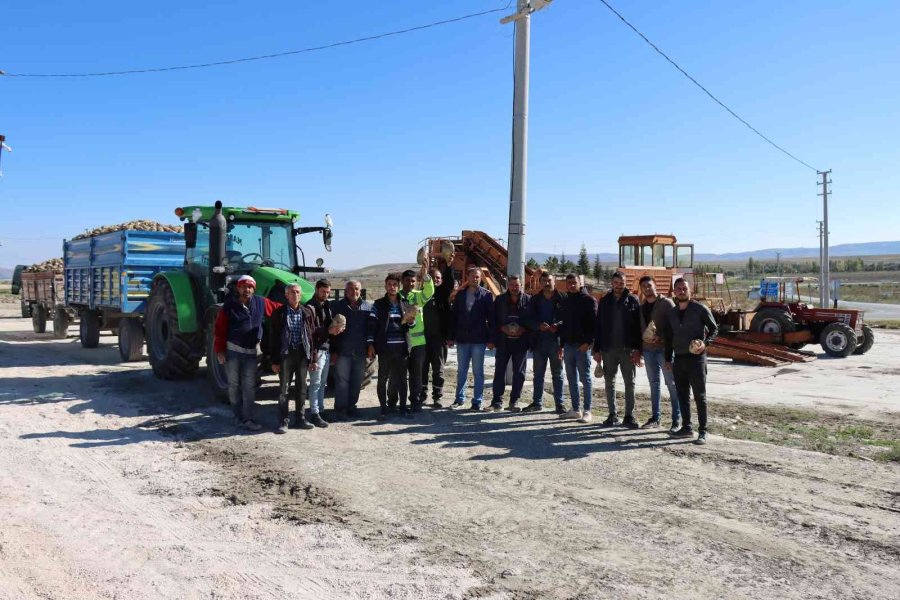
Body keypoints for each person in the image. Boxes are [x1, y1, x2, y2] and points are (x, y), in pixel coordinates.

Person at [213, 275, 281, 431]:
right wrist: (219, 350)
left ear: (254, 289)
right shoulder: (229, 306)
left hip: (251, 352)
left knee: (249, 386)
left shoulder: (261, 302)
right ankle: (237, 416)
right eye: (244, 287)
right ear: (238, 288)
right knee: (233, 385)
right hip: (233, 351)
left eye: (250, 287)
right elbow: (220, 329)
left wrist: (296, 307)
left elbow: (278, 309)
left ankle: (248, 418)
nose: (247, 290)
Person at [664, 278, 719, 445]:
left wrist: (706, 343)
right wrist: (668, 358)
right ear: (674, 292)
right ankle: (687, 428)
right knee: (682, 395)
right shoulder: (672, 313)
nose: (681, 291)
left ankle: (703, 431)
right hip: (679, 358)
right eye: (678, 289)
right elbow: (669, 338)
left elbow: (714, 329)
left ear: (690, 290)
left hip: (696, 359)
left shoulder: (700, 309)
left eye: (684, 288)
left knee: (699, 396)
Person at [593, 271, 642, 427]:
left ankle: (629, 416)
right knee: (610, 382)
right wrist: (596, 349)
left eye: (621, 283)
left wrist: (638, 349)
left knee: (630, 383)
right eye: (616, 283)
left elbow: (639, 327)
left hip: (628, 350)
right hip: (609, 350)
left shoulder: (633, 300)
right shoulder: (605, 301)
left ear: (625, 283)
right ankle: (612, 415)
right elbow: (599, 326)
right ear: (612, 283)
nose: (619, 286)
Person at [269, 283, 319, 434]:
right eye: (292, 292)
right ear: (286, 295)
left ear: (301, 295)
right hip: (286, 355)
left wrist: (313, 359)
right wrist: (274, 361)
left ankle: (300, 419)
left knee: (302, 388)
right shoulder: (279, 313)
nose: (295, 294)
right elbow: (273, 338)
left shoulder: (307, 312)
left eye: (297, 292)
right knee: (284, 389)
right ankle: (283, 421)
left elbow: (312, 337)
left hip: (302, 355)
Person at [447, 267, 495, 411]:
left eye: (477, 276)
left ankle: (477, 402)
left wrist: (491, 339)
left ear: (480, 278)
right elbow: (454, 317)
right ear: (467, 277)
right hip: (462, 339)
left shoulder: (486, 295)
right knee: (461, 371)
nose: (475, 279)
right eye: (472, 276)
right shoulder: (460, 295)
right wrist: (450, 337)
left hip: (479, 340)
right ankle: (459, 399)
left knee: (478, 372)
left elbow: (491, 319)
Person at [370, 273, 416, 420]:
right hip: (385, 349)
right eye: (389, 284)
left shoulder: (405, 303)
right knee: (382, 379)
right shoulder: (378, 304)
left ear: (398, 286)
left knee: (402, 379)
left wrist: (411, 321)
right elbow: (372, 325)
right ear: (385, 286)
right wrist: (370, 344)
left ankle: (402, 407)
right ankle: (383, 409)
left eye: (395, 285)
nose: (392, 287)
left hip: (402, 348)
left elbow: (412, 324)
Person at [637, 275, 680, 431]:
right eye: (644, 286)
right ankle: (656, 418)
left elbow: (676, 325)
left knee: (672, 384)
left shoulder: (666, 303)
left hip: (664, 350)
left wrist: (662, 337)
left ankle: (677, 420)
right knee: (654, 384)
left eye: (649, 285)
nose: (647, 289)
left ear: (655, 286)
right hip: (648, 351)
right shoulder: (641, 307)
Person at [331, 280, 376, 421]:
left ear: (360, 290)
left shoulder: (368, 307)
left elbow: (371, 329)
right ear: (345, 291)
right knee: (342, 382)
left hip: (361, 351)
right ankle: (340, 409)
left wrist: (370, 346)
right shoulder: (337, 306)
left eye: (356, 289)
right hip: (343, 351)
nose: (353, 291)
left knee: (357, 382)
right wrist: (333, 350)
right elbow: (331, 330)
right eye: (350, 289)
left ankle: (351, 407)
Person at [522, 272, 565, 413]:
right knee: (538, 375)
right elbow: (527, 319)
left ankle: (560, 404)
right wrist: (538, 325)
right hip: (539, 343)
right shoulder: (535, 300)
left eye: (549, 280)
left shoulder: (562, 298)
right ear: (540, 283)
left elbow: (568, 318)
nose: (547, 283)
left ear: (554, 281)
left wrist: (557, 325)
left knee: (557, 374)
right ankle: (537, 402)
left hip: (556, 343)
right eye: (544, 281)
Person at [306, 279, 344, 428]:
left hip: (326, 349)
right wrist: (328, 331)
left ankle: (320, 410)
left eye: (328, 292)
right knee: (315, 383)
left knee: (322, 384)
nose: (326, 294)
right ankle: (314, 413)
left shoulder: (327, 306)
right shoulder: (309, 308)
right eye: (323, 291)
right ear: (316, 290)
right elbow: (310, 331)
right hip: (316, 350)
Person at [489, 275, 531, 411]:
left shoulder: (528, 300)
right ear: (508, 285)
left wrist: (524, 329)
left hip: (521, 342)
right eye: (512, 285)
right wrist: (502, 328)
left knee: (519, 373)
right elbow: (493, 319)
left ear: (521, 285)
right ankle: (497, 401)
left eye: (517, 285)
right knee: (499, 371)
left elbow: (532, 319)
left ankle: (514, 402)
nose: (514, 288)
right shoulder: (500, 300)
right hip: (503, 341)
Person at [558, 274, 597, 420]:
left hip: (582, 346)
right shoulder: (566, 301)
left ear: (580, 283)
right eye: (569, 283)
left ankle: (587, 411)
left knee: (585, 379)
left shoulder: (589, 300)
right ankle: (575, 409)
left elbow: (595, 325)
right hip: (568, 346)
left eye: (574, 282)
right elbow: (564, 324)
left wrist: (588, 343)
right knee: (571, 379)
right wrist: (561, 345)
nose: (572, 285)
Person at [399, 259, 435, 412]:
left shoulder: (419, 296)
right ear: (402, 281)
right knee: (400, 375)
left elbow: (429, 291)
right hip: (401, 342)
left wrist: (425, 275)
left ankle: (415, 402)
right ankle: (401, 403)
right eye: (408, 280)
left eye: (413, 281)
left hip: (418, 343)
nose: (411, 283)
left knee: (416, 375)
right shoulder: (396, 296)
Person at [422, 263, 453, 407]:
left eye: (438, 278)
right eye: (433, 277)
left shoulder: (443, 294)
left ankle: (437, 397)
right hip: (422, 339)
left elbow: (450, 282)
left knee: (438, 370)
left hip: (439, 339)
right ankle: (421, 396)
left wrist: (448, 265)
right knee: (422, 369)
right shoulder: (422, 295)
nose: (436, 280)